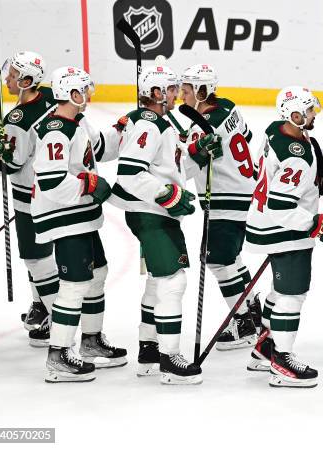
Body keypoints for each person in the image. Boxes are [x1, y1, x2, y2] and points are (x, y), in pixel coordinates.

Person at [112, 64, 220, 385]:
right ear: (158, 93)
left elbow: (169, 169)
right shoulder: (150, 123)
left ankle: (148, 348)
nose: (176, 94)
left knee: (158, 282)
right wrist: (167, 195)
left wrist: (197, 153)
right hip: (150, 212)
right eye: (172, 89)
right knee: (173, 282)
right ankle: (169, 359)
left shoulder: (163, 124)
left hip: (154, 211)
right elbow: (130, 173)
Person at [245, 86, 323, 388]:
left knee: (280, 290)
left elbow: (258, 170)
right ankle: (282, 358)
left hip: (264, 221)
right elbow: (281, 205)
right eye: (309, 111)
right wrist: (315, 223)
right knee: (293, 292)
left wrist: (313, 183)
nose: (314, 114)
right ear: (293, 114)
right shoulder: (298, 157)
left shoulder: (275, 131)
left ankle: (264, 347)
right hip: (283, 228)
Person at [32, 66, 126, 382]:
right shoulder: (56, 130)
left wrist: (124, 127)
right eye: (85, 90)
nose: (89, 95)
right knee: (73, 286)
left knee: (97, 273)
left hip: (81, 216)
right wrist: (88, 184)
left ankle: (90, 342)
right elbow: (51, 183)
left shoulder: (78, 122)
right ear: (73, 93)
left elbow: (100, 150)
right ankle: (58, 354)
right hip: (65, 218)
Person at [177, 63, 261, 350]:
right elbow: (245, 139)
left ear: (201, 92)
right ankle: (253, 314)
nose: (181, 97)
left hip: (227, 199)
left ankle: (244, 324)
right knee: (232, 260)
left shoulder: (203, 126)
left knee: (216, 260)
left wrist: (190, 148)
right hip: (247, 190)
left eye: (186, 92)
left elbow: (183, 171)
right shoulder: (228, 107)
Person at [0, 52, 59, 345]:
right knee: (46, 256)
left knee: (36, 258)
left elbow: (11, 164)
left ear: (27, 81)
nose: (9, 80)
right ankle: (41, 307)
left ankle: (56, 322)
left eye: (13, 76)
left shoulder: (16, 119)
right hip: (57, 190)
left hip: (29, 197)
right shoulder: (52, 95)